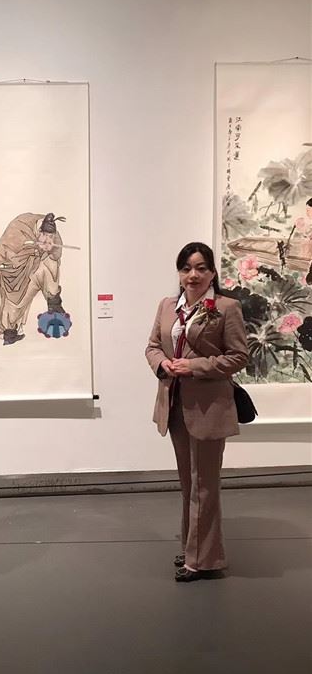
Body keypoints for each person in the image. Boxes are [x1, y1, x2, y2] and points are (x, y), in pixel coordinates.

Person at [145, 242, 248, 582]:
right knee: (188, 484)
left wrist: (194, 366)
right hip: (174, 404)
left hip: (208, 407)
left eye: (201, 268)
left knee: (205, 485)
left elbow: (238, 356)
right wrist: (163, 364)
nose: (193, 274)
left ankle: (203, 560)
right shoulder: (166, 306)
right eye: (187, 268)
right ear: (179, 273)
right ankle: (194, 548)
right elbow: (153, 346)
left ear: (213, 272)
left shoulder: (226, 307)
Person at [0, 212, 67, 345]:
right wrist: (34, 250)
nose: (47, 238)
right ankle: (9, 333)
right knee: (13, 303)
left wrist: (49, 249)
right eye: (45, 235)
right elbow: (4, 255)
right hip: (11, 270)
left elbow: (56, 254)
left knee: (50, 264)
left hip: (33, 268)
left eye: (50, 236)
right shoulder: (20, 227)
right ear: (39, 231)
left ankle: (54, 303)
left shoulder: (54, 235)